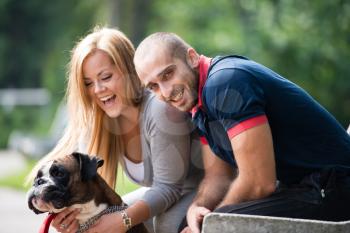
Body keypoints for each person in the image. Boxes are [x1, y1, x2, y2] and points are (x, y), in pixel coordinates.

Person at [133, 32, 350, 233]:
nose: (166, 91)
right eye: (153, 86)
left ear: (191, 57)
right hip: (303, 189)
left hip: (334, 187)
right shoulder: (198, 101)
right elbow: (218, 176)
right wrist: (197, 207)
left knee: (221, 224)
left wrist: (214, 219)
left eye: (168, 74)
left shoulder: (225, 83)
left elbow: (258, 182)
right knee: (192, 223)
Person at [27, 27, 203, 233]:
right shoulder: (100, 121)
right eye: (88, 83)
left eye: (106, 77)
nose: (98, 90)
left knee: (162, 226)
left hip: (204, 189)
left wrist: (123, 220)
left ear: (131, 70)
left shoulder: (159, 109)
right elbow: (88, 189)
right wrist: (71, 216)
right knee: (96, 219)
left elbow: (168, 189)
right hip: (165, 193)